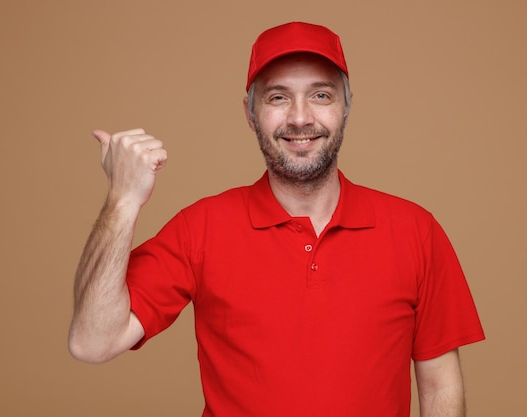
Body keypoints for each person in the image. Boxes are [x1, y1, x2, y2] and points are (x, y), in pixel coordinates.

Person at [68, 22, 485, 417]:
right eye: (278, 97)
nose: (300, 118)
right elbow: (92, 342)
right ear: (250, 114)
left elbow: (439, 386)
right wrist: (122, 201)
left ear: (346, 107)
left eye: (321, 95)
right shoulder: (201, 229)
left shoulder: (415, 230)